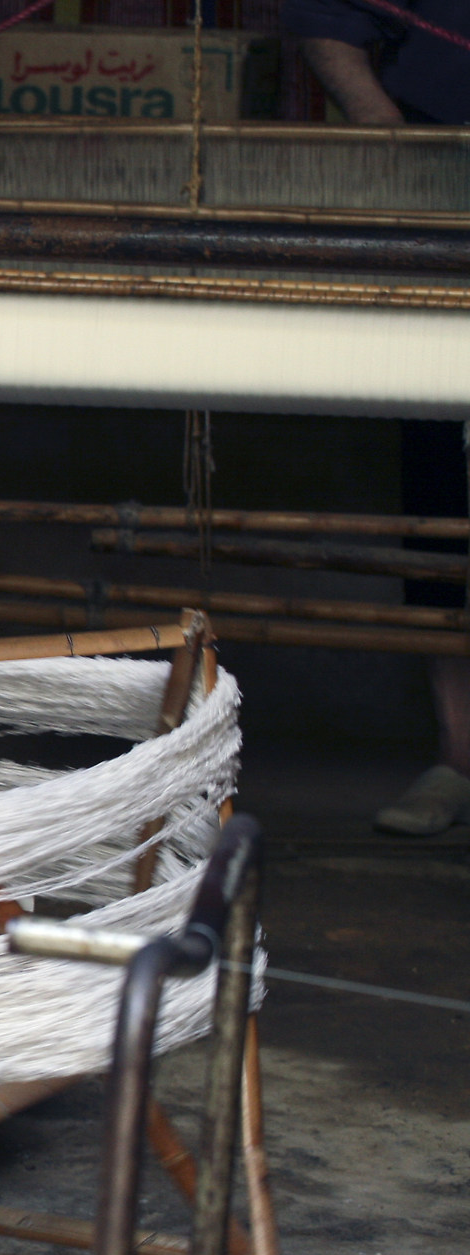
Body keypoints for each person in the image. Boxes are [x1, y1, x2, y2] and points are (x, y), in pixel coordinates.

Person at [285, 0, 470, 832]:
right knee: (444, 496)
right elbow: (328, 15)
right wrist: (384, 131)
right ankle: (459, 760)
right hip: (440, 182)